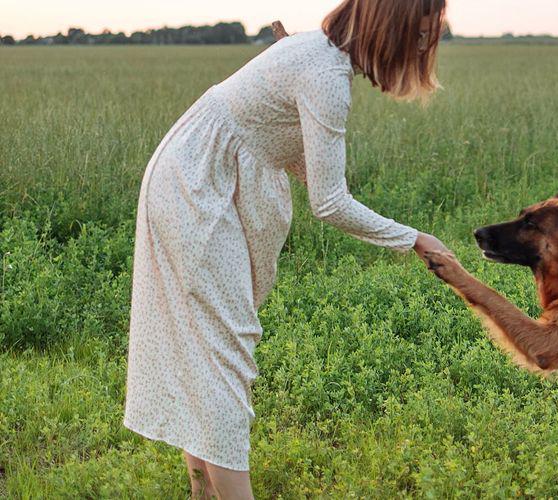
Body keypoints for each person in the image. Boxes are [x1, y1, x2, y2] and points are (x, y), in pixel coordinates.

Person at [123, 1, 448, 498]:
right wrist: (414, 238)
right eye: (421, 36)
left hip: (202, 176)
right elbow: (330, 202)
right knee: (224, 353)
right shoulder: (324, 73)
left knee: (211, 351)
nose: (424, 49)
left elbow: (285, 150)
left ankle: (202, 493)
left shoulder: (320, 58)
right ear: (393, 27)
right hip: (195, 186)